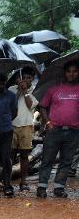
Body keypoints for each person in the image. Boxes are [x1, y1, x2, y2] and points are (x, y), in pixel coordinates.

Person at [37, 61, 79, 198]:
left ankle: (59, 188)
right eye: (69, 71)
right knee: (47, 159)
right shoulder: (54, 89)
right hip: (54, 130)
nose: (71, 74)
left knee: (66, 161)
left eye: (74, 71)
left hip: (73, 131)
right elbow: (42, 106)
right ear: (64, 73)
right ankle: (42, 187)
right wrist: (47, 121)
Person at [9, 67, 38, 191]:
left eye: (29, 78)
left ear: (32, 79)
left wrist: (25, 91)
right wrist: (18, 91)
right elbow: (11, 105)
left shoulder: (36, 90)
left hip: (26, 125)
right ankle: (7, 181)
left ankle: (23, 181)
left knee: (24, 155)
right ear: (19, 78)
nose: (26, 80)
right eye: (24, 77)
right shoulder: (11, 89)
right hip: (11, 125)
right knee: (10, 154)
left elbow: (30, 105)